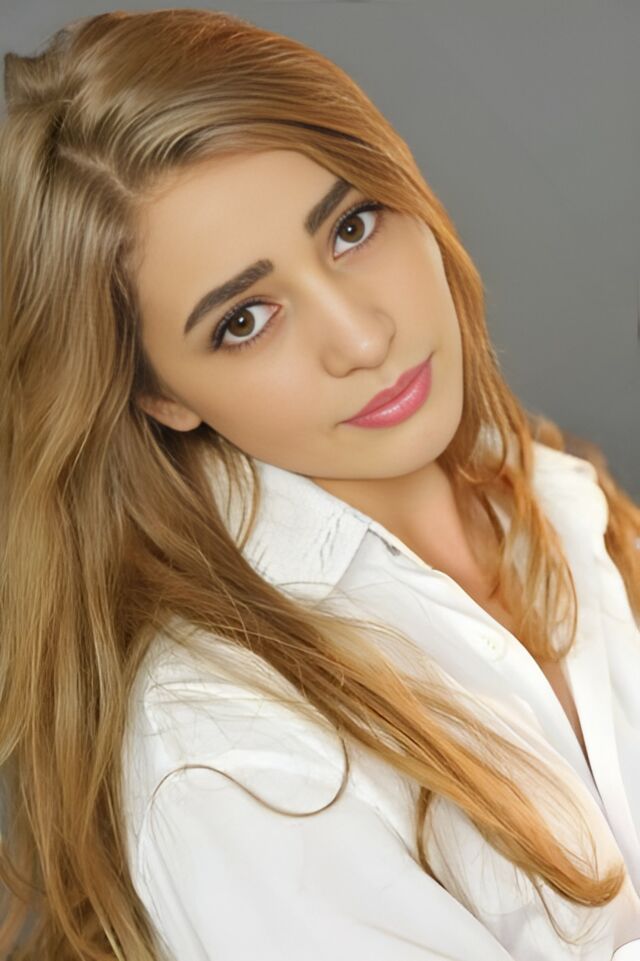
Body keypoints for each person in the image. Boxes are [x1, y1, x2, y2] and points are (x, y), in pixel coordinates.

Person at [0, 8, 639, 961]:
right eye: (245, 319)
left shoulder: (557, 499)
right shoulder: (228, 751)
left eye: (351, 226)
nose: (363, 337)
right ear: (161, 395)